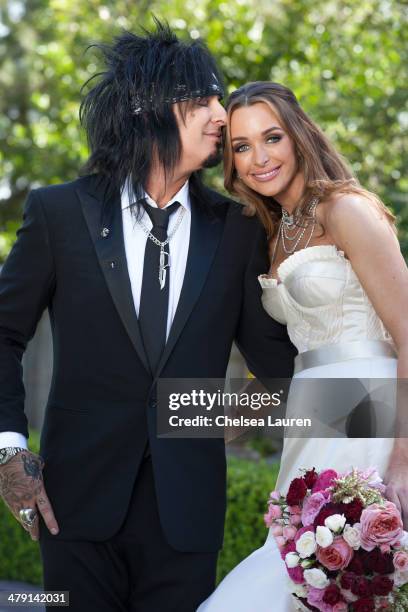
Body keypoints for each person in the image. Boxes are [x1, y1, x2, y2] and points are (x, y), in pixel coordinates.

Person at [0, 30, 296, 612]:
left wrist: (217, 412)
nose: (221, 115)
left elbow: (278, 364)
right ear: (149, 107)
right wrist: (9, 452)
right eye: (204, 100)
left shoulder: (238, 229)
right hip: (74, 509)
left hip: (188, 513)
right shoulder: (58, 213)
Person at [198, 81, 408, 611]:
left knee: (321, 579)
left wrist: (404, 460)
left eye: (272, 137)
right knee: (309, 576)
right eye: (241, 146)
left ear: (298, 136)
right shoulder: (272, 233)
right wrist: (199, 424)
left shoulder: (345, 210)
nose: (259, 158)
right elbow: (287, 363)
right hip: (311, 420)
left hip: (369, 415)